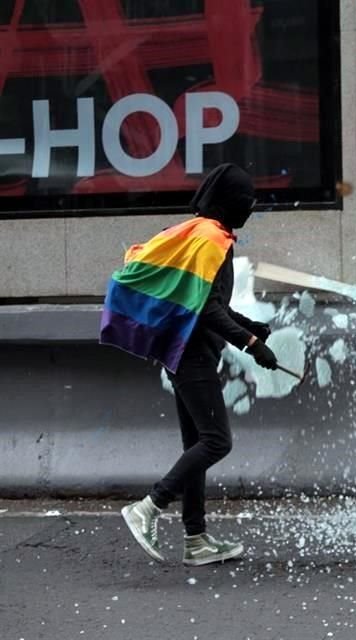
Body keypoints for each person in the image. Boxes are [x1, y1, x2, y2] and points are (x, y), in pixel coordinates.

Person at [100, 163, 279, 565]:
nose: (248, 211)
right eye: (245, 204)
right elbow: (207, 309)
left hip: (183, 350)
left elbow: (207, 301)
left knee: (195, 444)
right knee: (217, 441)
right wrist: (251, 344)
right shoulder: (211, 239)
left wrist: (249, 325)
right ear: (230, 203)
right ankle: (148, 506)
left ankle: (195, 540)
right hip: (192, 355)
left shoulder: (196, 232)